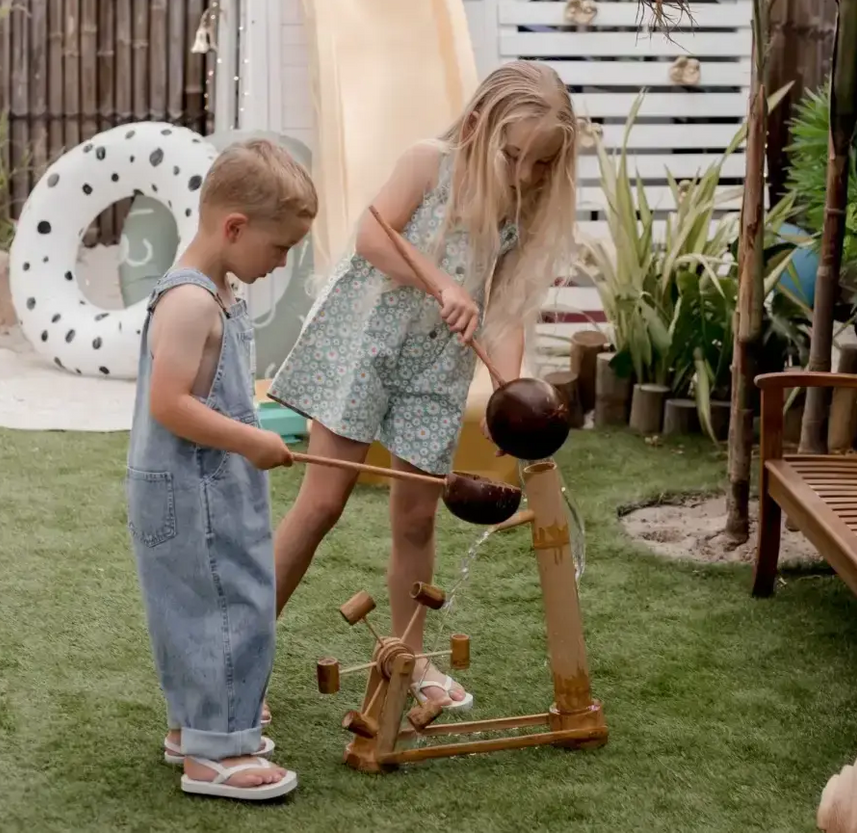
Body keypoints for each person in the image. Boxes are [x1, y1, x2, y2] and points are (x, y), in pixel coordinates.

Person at [266, 61, 579, 712]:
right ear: (473, 128)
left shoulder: (522, 208)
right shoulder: (427, 162)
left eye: (542, 164)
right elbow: (372, 235)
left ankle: (406, 663)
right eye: (514, 156)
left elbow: (500, 317)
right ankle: (239, 655)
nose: (525, 176)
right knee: (322, 503)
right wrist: (442, 284)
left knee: (415, 518)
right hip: (368, 346)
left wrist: (514, 394)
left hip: (436, 371)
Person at [126, 138, 317, 802]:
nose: (281, 262)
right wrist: (249, 440)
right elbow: (169, 402)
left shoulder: (220, 290)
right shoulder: (190, 302)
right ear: (234, 227)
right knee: (226, 607)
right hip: (194, 491)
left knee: (197, 607)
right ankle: (218, 754)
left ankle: (196, 729)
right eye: (279, 248)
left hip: (203, 488)